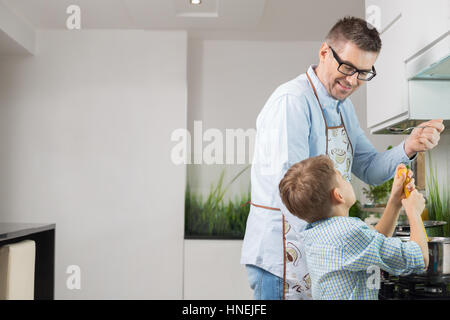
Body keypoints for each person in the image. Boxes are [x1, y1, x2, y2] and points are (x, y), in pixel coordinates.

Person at [240, 16, 444, 300]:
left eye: (363, 72)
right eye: (348, 67)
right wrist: (342, 244)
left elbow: (369, 167)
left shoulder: (341, 108)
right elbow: (289, 191)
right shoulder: (292, 102)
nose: (353, 80)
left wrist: (409, 146)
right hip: (283, 260)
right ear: (325, 52)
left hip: (320, 258)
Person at [278, 155, 429, 300]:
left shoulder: (316, 232)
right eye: (343, 178)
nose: (347, 180)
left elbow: (373, 242)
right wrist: (414, 212)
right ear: (339, 195)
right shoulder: (349, 233)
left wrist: (395, 201)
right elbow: (419, 258)